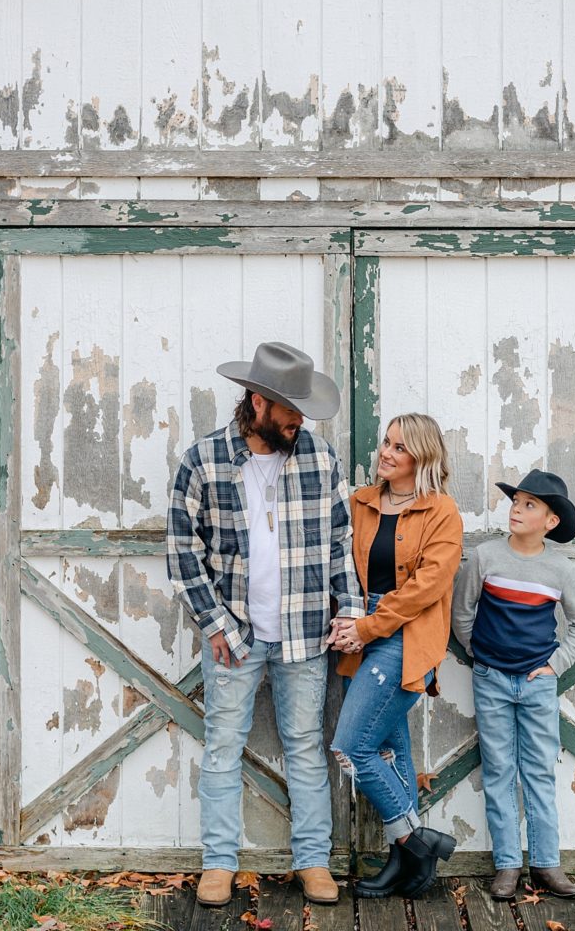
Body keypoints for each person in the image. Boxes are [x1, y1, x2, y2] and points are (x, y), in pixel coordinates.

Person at [167, 341, 363, 908]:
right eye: (290, 409)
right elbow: (184, 552)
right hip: (235, 635)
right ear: (257, 402)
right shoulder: (203, 461)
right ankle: (218, 864)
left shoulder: (319, 460)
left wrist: (348, 609)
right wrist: (215, 625)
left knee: (306, 747)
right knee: (223, 745)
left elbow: (338, 545)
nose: (300, 419)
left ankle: (312, 862)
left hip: (305, 633)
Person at [329, 414, 464, 900]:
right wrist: (347, 623)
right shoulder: (360, 503)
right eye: (385, 442)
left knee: (350, 748)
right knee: (390, 751)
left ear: (422, 459)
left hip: (405, 637)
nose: (385, 453)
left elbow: (426, 588)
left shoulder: (441, 512)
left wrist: (367, 628)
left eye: (399, 448)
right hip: (357, 633)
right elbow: (337, 565)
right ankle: (407, 861)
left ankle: (413, 840)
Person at [451, 469, 575, 901]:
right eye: (516, 502)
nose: (517, 509)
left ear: (551, 521)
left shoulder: (558, 568)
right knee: (498, 771)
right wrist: (480, 654)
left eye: (529, 505)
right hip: (491, 680)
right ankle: (508, 865)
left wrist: (554, 666)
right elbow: (462, 611)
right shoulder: (487, 557)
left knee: (537, 771)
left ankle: (547, 863)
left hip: (536, 684)